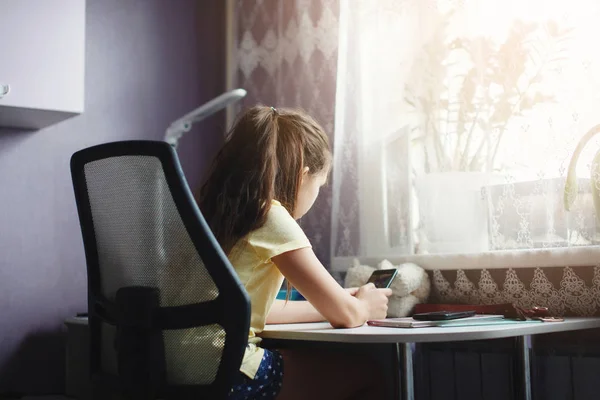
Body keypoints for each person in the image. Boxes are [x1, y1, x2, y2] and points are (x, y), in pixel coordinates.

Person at [197, 105, 392, 399]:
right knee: (367, 373)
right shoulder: (270, 216)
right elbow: (349, 316)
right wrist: (364, 306)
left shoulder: (216, 215)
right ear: (303, 176)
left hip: (174, 367)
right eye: (319, 185)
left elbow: (250, 309)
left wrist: (336, 301)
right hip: (225, 370)